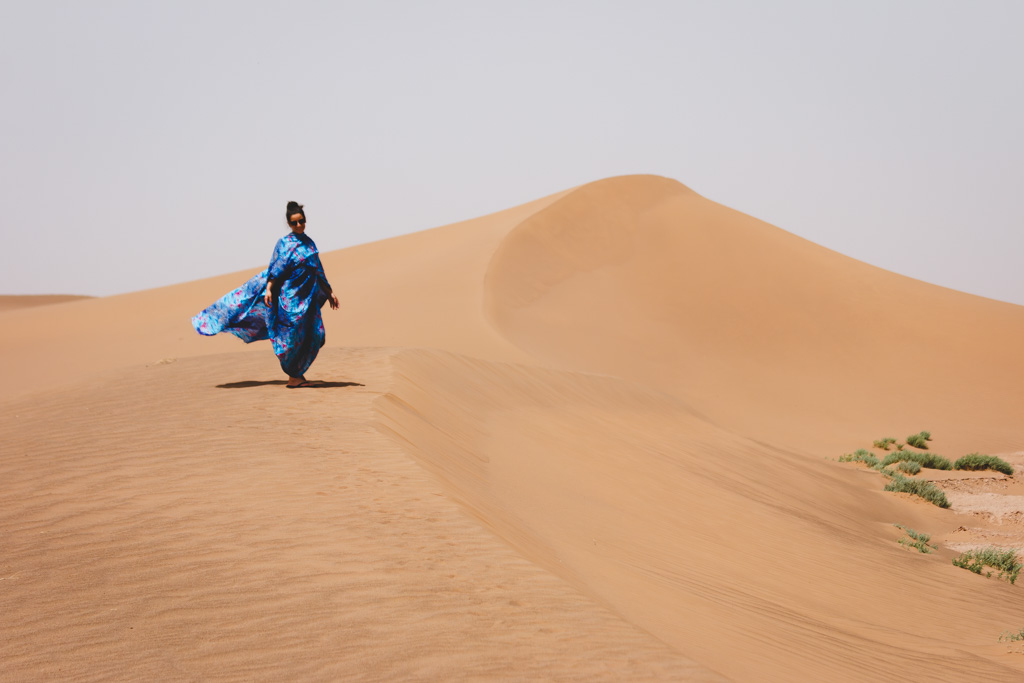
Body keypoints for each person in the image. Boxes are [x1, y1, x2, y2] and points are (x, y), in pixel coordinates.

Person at [192, 201, 339, 388]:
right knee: (290, 340)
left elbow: (318, 270)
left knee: (316, 335)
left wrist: (330, 292)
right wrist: (269, 288)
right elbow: (275, 269)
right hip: (290, 301)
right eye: (294, 223)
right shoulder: (284, 243)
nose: (299, 225)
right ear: (289, 224)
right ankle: (294, 377)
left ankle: (297, 375)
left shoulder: (310, 244)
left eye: (301, 221)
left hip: (307, 300)